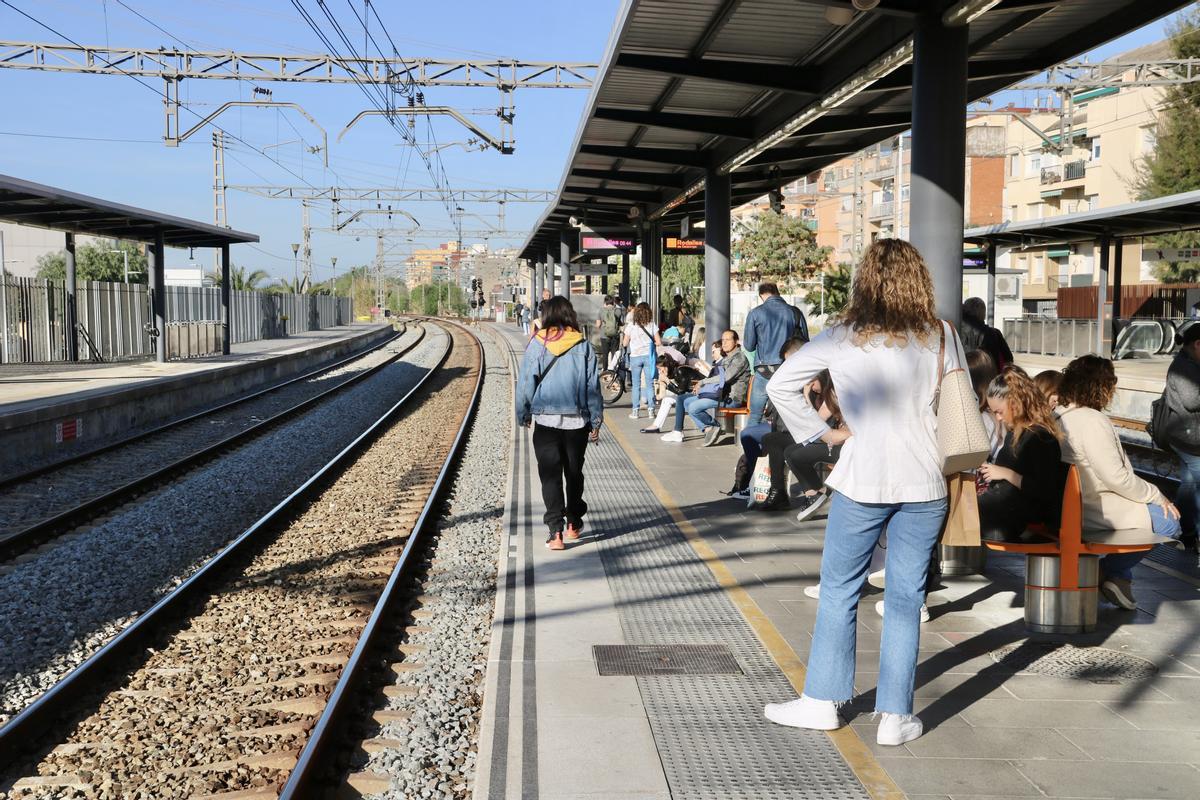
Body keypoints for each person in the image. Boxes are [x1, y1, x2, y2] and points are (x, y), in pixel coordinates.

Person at [762, 239, 958, 747]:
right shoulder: (941, 335)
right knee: (904, 597)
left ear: (865, 280)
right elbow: (960, 401)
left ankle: (822, 701)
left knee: (840, 591)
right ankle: (895, 717)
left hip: (864, 478)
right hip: (925, 481)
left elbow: (780, 386)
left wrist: (824, 433)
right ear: (919, 281)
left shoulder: (841, 337)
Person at [1056, 355, 1182, 608]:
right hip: (1096, 507)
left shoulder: (1059, 415)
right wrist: (1156, 495)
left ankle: (1120, 579)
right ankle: (1105, 573)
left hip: (1075, 504)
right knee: (1170, 523)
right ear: (1101, 387)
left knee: (1155, 516)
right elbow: (1117, 478)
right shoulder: (1091, 420)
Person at [515, 296, 604, 551]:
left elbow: (525, 383)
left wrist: (523, 414)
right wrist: (595, 418)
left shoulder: (537, 345)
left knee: (550, 477)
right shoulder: (582, 345)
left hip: (545, 421)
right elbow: (592, 387)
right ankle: (574, 523)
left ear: (547, 316)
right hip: (577, 423)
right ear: (569, 315)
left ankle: (555, 533)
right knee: (574, 473)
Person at [977, 369, 1067, 542]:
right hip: (1010, 509)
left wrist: (1005, 474)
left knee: (963, 513)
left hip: (1023, 516)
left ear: (1015, 403)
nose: (998, 418)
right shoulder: (1018, 432)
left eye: (999, 411)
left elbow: (1044, 490)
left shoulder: (1041, 438)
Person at [729, 337, 807, 501]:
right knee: (748, 434)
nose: (788, 365)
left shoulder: (809, 376)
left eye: (790, 361)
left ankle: (763, 483)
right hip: (778, 423)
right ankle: (755, 477)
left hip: (794, 428)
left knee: (769, 439)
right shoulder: (786, 375)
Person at [661, 330, 750, 447]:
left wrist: (703, 382)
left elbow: (726, 378)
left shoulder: (739, 358)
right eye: (723, 340)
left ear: (736, 341)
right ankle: (708, 428)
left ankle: (714, 427)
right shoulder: (728, 357)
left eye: (728, 340)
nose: (724, 343)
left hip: (732, 399)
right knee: (686, 401)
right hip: (722, 395)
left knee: (693, 407)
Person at [1161, 325, 1200, 551]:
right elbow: (1191, 401)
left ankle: (1186, 533)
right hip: (1189, 439)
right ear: (1197, 344)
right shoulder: (1183, 367)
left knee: (1188, 485)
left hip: (1187, 436)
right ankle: (1191, 533)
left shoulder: (1190, 364)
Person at [744, 283, 798, 426]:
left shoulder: (755, 313)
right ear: (777, 292)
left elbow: (748, 346)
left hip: (763, 369)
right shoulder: (793, 312)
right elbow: (804, 341)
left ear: (762, 295)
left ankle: (752, 446)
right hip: (787, 369)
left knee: (755, 415)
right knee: (785, 414)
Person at [622, 302, 661, 420]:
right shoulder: (652, 324)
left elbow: (624, 343)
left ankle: (635, 412)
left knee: (636, 385)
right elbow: (658, 342)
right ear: (648, 312)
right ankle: (651, 411)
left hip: (635, 357)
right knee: (650, 385)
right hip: (648, 357)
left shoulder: (631, 325)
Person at [960, 297, 1013, 371]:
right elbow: (1008, 360)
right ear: (983, 313)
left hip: (961, 375)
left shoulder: (955, 328)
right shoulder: (993, 333)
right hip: (985, 377)